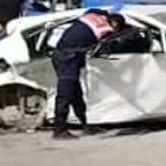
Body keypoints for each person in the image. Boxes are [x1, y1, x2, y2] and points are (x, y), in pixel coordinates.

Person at [49, 9, 116, 139]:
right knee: (65, 95)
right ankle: (59, 130)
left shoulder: (87, 20)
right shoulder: (101, 25)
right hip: (67, 59)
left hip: (66, 57)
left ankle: (85, 125)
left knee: (76, 94)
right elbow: (104, 45)